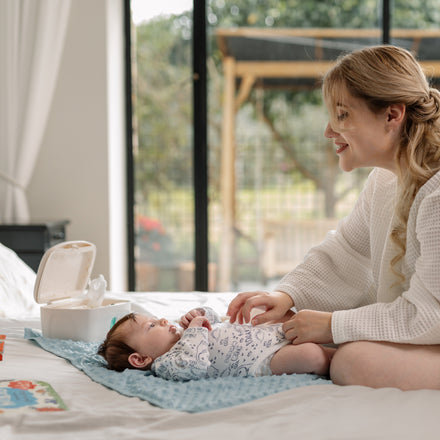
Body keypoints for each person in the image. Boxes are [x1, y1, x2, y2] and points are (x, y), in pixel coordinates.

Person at [227, 44, 440, 391]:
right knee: (344, 348)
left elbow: (431, 315)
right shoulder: (385, 181)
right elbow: (347, 252)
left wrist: (333, 326)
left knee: (353, 361)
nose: (328, 131)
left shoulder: (436, 194)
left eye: (342, 116)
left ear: (392, 115)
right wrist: (288, 295)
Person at [97, 307, 335, 380]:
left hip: (264, 335)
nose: (161, 320)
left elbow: (214, 319)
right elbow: (195, 365)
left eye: (155, 319)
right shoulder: (167, 364)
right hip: (261, 361)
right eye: (151, 326)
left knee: (296, 319)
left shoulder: (182, 332)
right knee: (310, 355)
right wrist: (193, 331)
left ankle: (342, 334)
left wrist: (201, 314)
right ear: (140, 359)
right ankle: (337, 359)